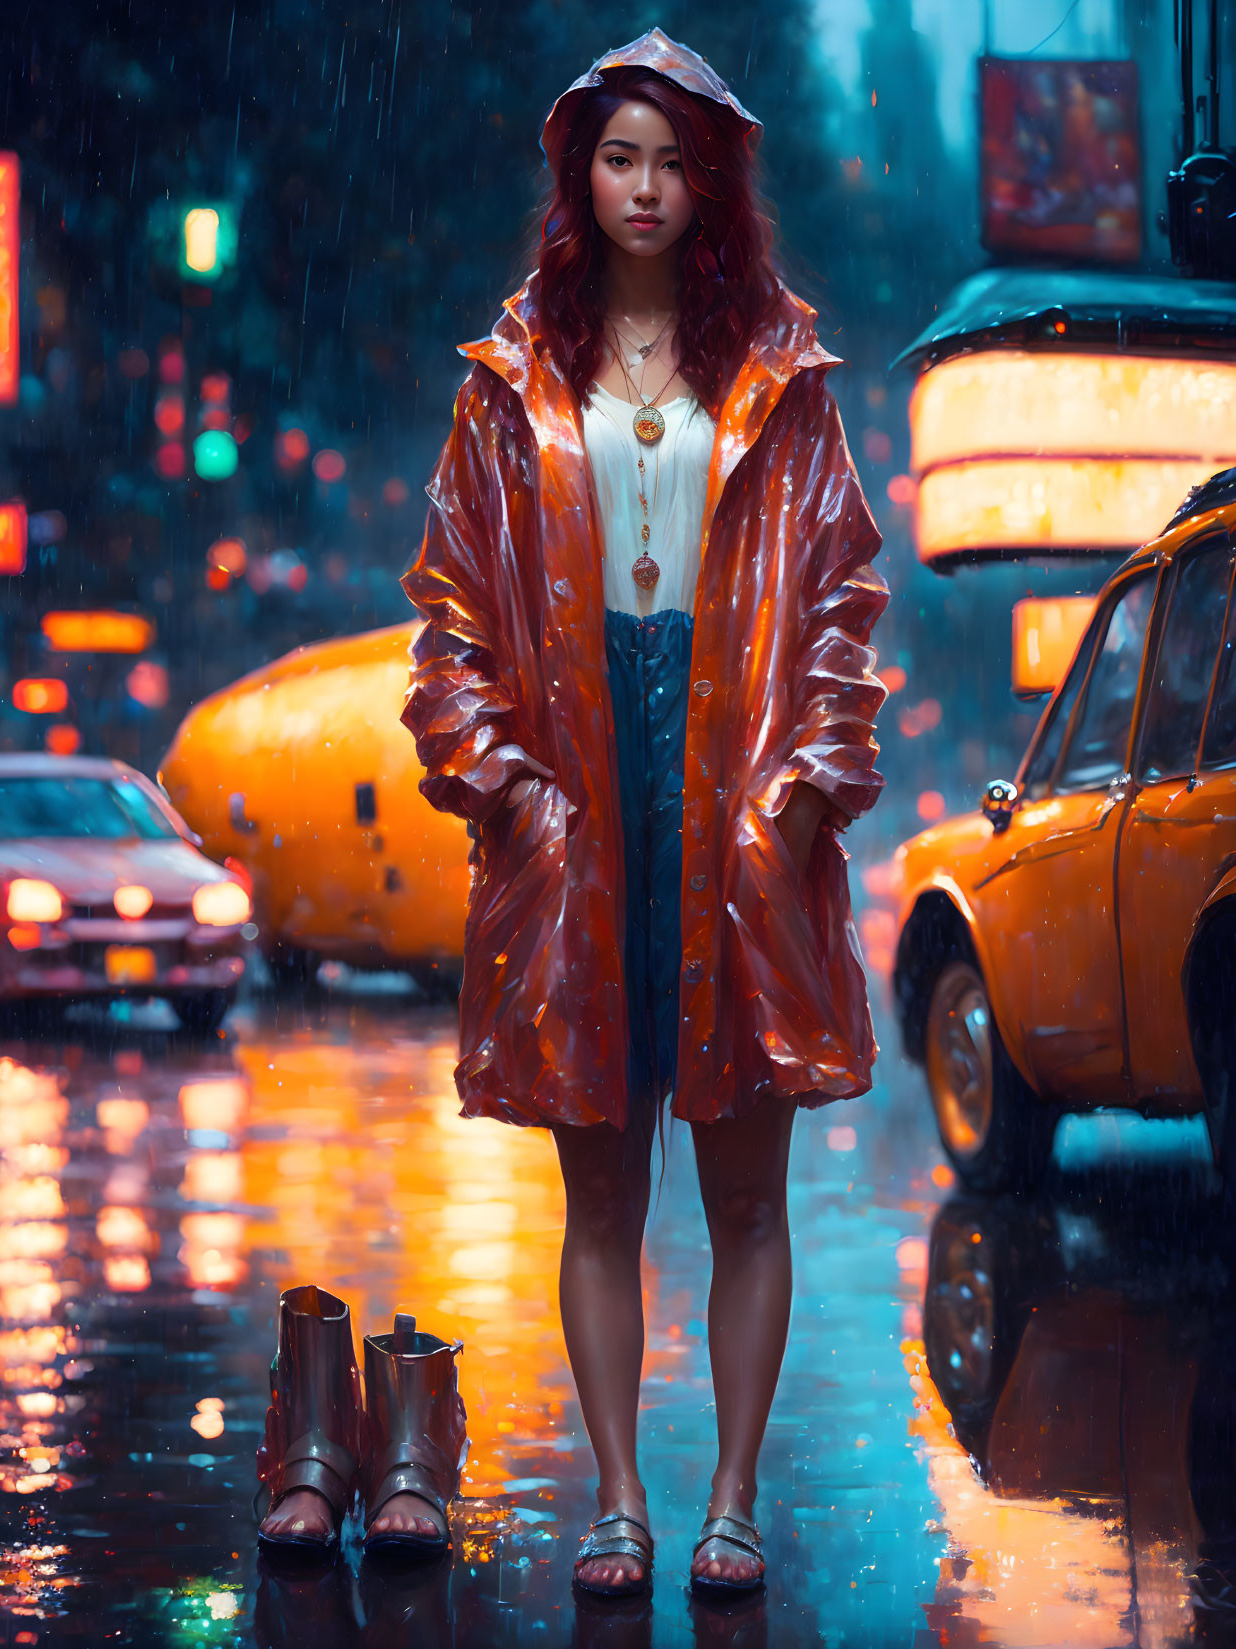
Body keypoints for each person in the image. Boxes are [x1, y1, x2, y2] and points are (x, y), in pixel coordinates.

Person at [399, 28, 887, 1600]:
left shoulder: (781, 378)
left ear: (714, 182)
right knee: (597, 1184)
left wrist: (809, 781)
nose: (647, 188)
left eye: (675, 161)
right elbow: (451, 623)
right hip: (579, 800)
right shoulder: (511, 382)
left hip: (740, 798)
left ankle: (729, 1501)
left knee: (748, 1188)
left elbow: (839, 600)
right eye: (621, 157)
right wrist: (511, 783)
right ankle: (617, 1499)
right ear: (577, 174)